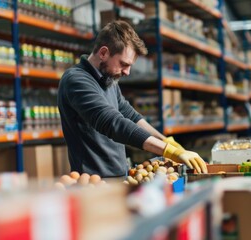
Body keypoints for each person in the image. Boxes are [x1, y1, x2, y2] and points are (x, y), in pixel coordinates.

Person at [57, 20, 207, 177]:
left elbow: (129, 114)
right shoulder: (76, 80)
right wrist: (168, 151)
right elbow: (111, 122)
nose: (127, 72)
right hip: (95, 182)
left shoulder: (108, 79)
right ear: (103, 53)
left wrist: (167, 141)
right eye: (123, 64)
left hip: (119, 176)